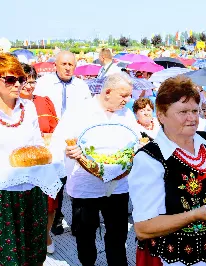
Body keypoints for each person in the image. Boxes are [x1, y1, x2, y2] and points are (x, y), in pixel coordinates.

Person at [129, 75, 206, 266]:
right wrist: (195, 214)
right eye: (183, 111)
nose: (192, 118)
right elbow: (143, 228)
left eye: (195, 110)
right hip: (174, 259)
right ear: (161, 115)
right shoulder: (150, 158)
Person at [51, 73, 138, 266]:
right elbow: (59, 141)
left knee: (118, 232)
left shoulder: (127, 113)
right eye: (123, 95)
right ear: (107, 92)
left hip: (119, 185)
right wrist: (68, 149)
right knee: (85, 233)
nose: (128, 100)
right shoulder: (80, 111)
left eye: (129, 95)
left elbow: (135, 140)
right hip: (85, 184)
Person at [0, 53, 62, 265]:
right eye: (10, 79)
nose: (17, 84)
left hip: (32, 190)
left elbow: (36, 143)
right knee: (8, 256)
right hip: (3, 195)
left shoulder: (28, 108)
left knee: (33, 253)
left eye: (20, 79)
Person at [34, 50, 92, 235]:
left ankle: (78, 221)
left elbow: (88, 111)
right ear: (55, 65)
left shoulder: (82, 86)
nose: (67, 68)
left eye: (71, 65)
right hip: (52, 138)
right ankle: (57, 218)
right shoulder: (43, 84)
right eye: (64, 64)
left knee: (76, 178)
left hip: (75, 137)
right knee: (57, 181)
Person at [20, 63, 59, 254]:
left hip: (44, 159)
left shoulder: (44, 101)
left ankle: (45, 234)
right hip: (19, 163)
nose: (28, 86)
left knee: (49, 204)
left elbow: (56, 128)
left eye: (32, 81)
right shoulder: (8, 106)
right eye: (24, 81)